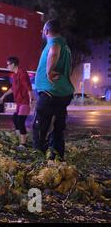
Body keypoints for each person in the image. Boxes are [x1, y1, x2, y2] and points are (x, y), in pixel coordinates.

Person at [33, 19, 74, 161]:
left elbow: (54, 52)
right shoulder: (66, 45)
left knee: (40, 127)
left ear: (46, 31)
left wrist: (49, 71)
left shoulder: (54, 42)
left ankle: (39, 159)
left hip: (50, 93)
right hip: (63, 93)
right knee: (57, 128)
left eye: (43, 30)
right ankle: (57, 158)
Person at [0, 57, 34, 150]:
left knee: (20, 121)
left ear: (13, 64)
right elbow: (13, 88)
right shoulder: (14, 75)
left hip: (25, 102)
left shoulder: (22, 73)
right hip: (19, 102)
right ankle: (20, 139)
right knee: (15, 119)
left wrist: (32, 99)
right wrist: (3, 96)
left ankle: (23, 144)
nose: (7, 66)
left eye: (8, 64)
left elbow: (28, 86)